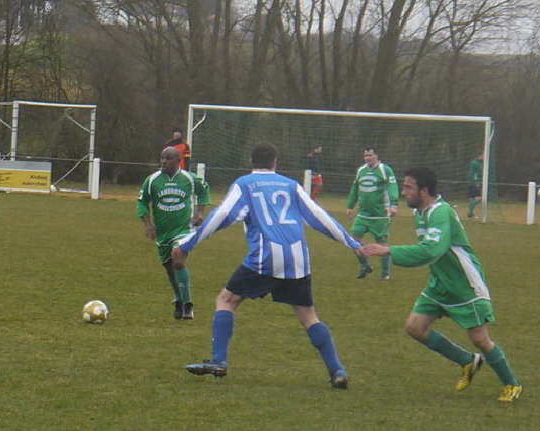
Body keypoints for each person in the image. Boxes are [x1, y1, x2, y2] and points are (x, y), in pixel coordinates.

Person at [172, 143, 362, 389]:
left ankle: (219, 361)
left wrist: (186, 245)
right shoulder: (291, 185)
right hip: (297, 259)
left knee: (226, 300)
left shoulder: (245, 184)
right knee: (308, 316)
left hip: (264, 257)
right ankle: (337, 370)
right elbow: (318, 216)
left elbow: (221, 216)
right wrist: (350, 242)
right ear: (275, 162)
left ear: (251, 161)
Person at [361, 167, 522, 402]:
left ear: (424, 190)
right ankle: (467, 361)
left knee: (479, 339)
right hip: (439, 283)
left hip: (464, 283)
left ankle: (511, 384)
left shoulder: (440, 212)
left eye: (408, 187)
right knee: (415, 327)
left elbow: (431, 250)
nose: (403, 192)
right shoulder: (420, 212)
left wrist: (389, 250)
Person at [137, 146, 210, 320]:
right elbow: (142, 203)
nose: (163, 161)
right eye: (162, 158)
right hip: (163, 233)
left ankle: (187, 305)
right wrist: (148, 224)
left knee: (177, 259)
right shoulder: (152, 180)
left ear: (179, 161)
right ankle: (179, 299)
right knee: (170, 269)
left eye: (167, 158)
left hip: (184, 230)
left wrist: (199, 213)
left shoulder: (189, 179)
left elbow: (203, 191)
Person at [346, 148, 398, 281]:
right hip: (362, 215)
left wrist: (393, 205)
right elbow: (355, 188)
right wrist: (350, 206)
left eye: (370, 155)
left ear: (376, 155)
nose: (367, 158)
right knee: (353, 241)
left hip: (380, 215)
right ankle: (365, 265)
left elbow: (393, 187)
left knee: (382, 245)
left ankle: (385, 274)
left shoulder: (385, 169)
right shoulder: (361, 170)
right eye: (365, 155)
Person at [467, 154, 483, 218]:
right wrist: (477, 182)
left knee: (471, 198)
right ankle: (470, 212)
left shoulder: (472, 162)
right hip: (475, 183)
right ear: (479, 156)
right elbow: (476, 174)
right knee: (479, 198)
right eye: (482, 156)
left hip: (470, 182)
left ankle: (471, 213)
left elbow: (471, 173)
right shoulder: (477, 164)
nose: (483, 157)